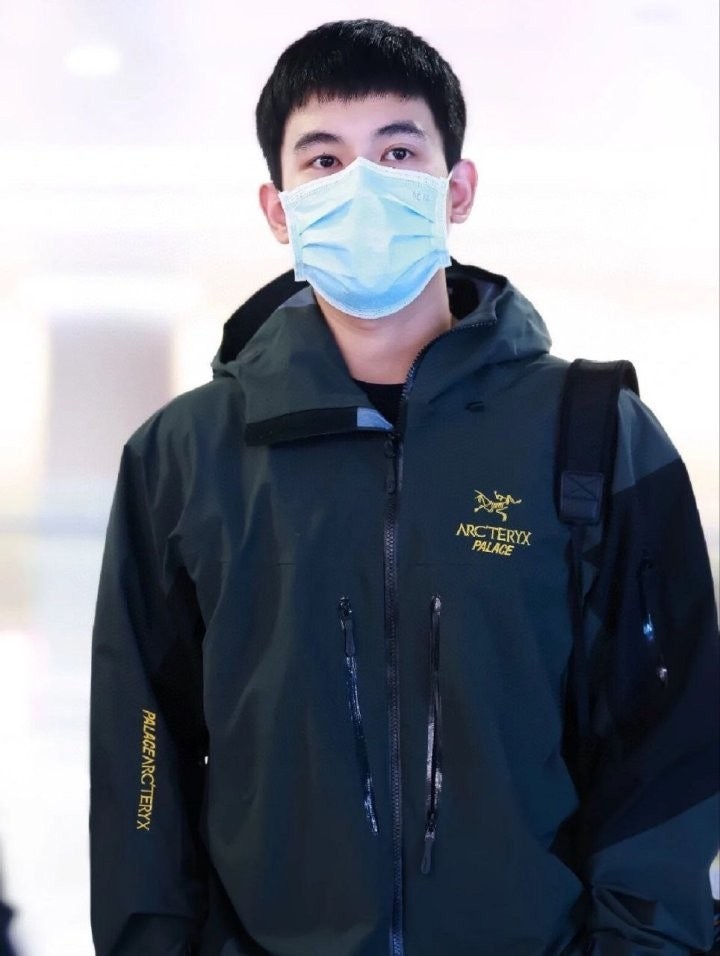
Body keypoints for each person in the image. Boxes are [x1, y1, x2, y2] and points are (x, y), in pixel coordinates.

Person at [89, 19, 719, 956]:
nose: (362, 186)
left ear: (455, 189)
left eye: (396, 152)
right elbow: (141, 752)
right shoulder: (182, 459)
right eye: (324, 161)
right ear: (278, 209)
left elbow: (669, 742)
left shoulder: (593, 435)